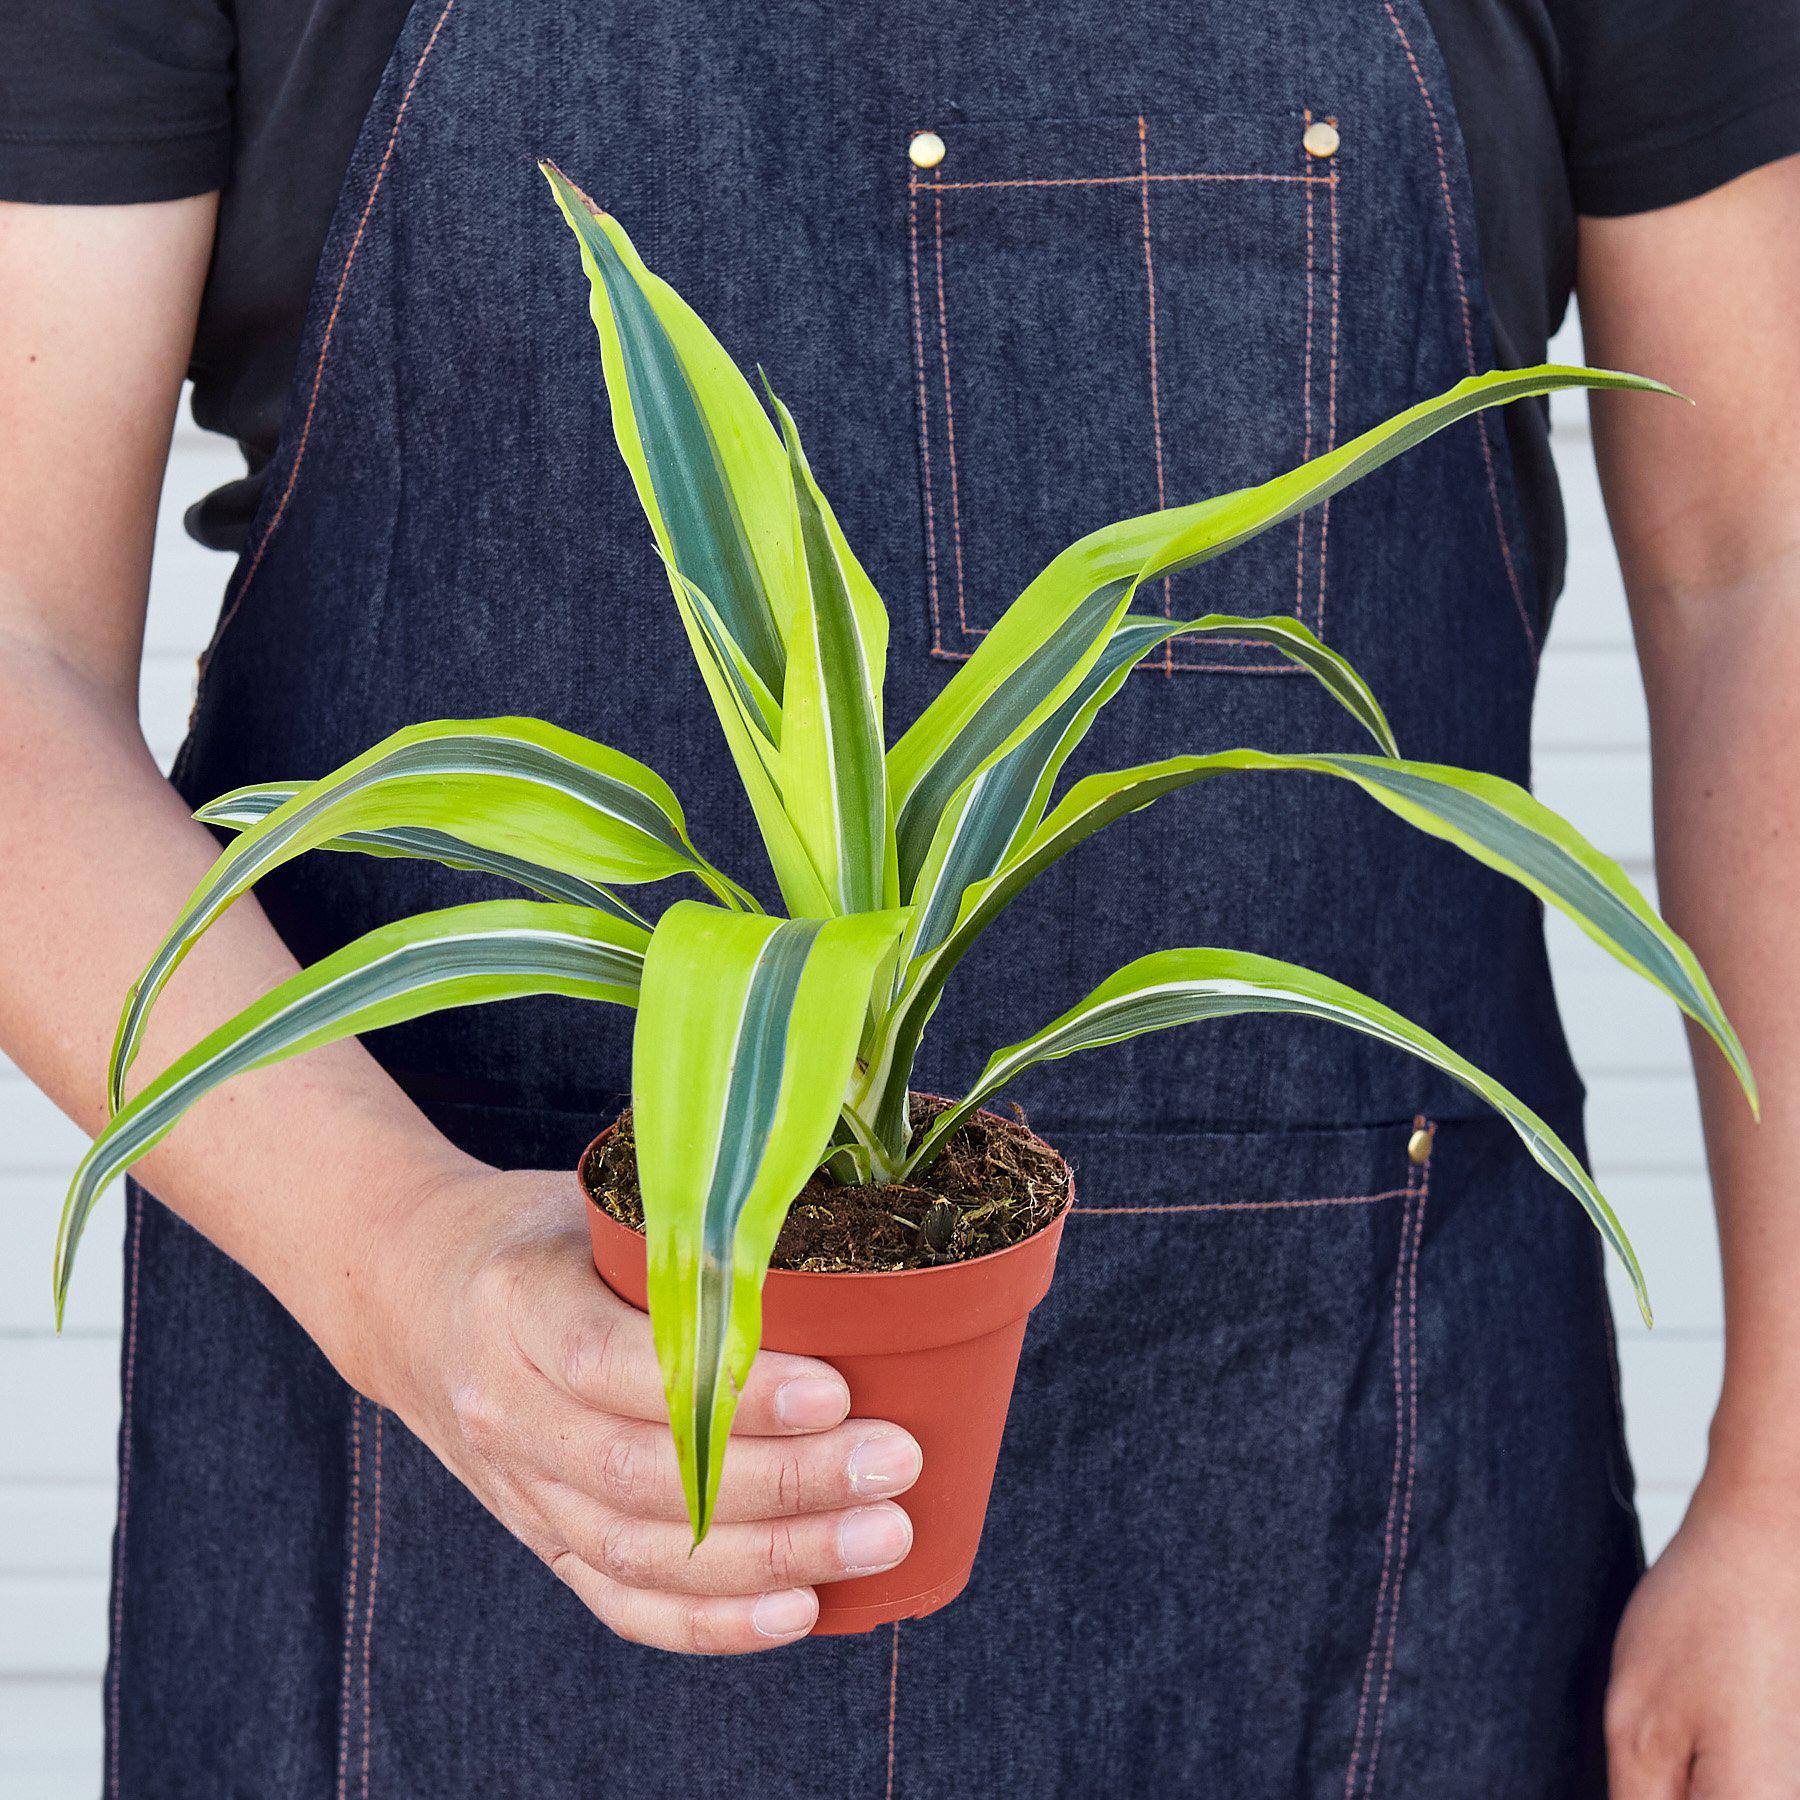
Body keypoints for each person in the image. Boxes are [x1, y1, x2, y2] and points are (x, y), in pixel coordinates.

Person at [3, 1, 1798, 1794]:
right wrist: (408, 1261)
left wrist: (1787, 1498)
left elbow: (1759, 566)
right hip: (443, 1467)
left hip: (1344, 1489)